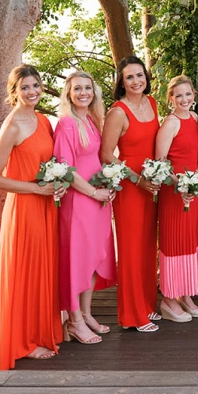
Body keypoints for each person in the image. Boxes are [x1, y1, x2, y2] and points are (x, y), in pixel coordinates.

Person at [0, 65, 65, 370]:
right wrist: (34, 189)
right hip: (25, 210)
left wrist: (57, 184)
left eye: (36, 86)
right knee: (23, 274)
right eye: (25, 88)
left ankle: (39, 332)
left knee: (42, 270)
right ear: (14, 92)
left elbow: (51, 163)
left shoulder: (43, 120)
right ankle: (21, 343)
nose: (32, 92)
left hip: (45, 208)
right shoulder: (13, 125)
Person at [100, 55, 161, 332]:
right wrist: (137, 180)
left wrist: (158, 175)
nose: (137, 81)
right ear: (121, 82)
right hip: (131, 186)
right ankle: (132, 315)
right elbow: (106, 155)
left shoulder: (152, 103)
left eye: (140, 75)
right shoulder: (118, 112)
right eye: (130, 77)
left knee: (148, 247)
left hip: (152, 182)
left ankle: (148, 305)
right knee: (131, 250)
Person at [54, 69, 116, 345]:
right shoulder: (67, 124)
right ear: (68, 93)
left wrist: (109, 183)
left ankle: (88, 313)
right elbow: (65, 169)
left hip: (99, 199)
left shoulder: (90, 120)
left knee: (93, 258)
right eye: (77, 88)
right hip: (79, 201)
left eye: (87, 88)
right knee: (78, 260)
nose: (83, 93)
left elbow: (97, 159)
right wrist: (93, 191)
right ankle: (74, 321)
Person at [154, 76, 198, 323]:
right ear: (170, 99)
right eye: (179, 96)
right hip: (175, 192)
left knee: (190, 240)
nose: (184, 99)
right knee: (174, 242)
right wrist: (181, 185)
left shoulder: (194, 119)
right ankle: (169, 298)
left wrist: (192, 186)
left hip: (193, 191)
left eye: (188, 94)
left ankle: (185, 293)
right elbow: (160, 164)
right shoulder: (171, 123)